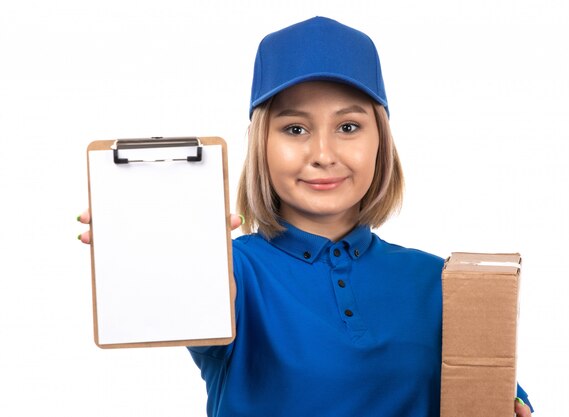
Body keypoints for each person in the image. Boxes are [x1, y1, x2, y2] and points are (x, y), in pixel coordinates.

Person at [79, 16, 533, 417]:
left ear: (381, 141)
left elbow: (492, 395)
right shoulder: (232, 271)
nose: (322, 154)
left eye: (348, 127)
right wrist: (149, 249)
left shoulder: (443, 282)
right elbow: (175, 299)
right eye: (295, 129)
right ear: (262, 143)